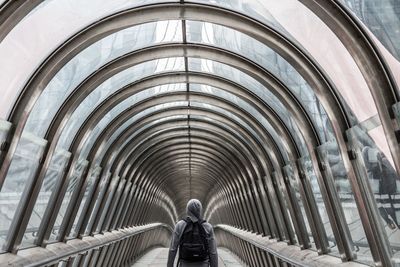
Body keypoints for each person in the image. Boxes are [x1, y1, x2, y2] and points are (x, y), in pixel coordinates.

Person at [167, 199, 218, 267]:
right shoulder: (208, 227)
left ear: (187, 210)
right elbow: (213, 252)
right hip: (203, 264)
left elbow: (173, 249)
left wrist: (169, 265)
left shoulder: (180, 225)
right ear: (200, 211)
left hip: (185, 264)